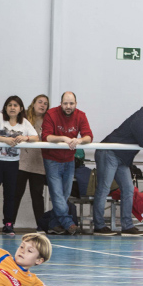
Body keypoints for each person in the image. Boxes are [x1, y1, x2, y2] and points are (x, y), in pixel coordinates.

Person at [92, 94, 143, 237]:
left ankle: (127, 226)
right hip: (109, 152)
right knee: (104, 188)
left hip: (121, 157)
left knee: (128, 189)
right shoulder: (141, 118)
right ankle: (99, 226)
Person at [0, 95, 38, 236]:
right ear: (5, 107)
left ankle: (8, 225)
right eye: (9, 105)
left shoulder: (24, 123)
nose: (12, 108)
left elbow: (36, 137)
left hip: (12, 164)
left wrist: (25, 137)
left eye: (15, 105)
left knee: (10, 195)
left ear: (21, 109)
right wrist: (5, 140)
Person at [41, 92, 93, 235]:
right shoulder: (51, 114)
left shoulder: (81, 115)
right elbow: (46, 136)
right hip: (52, 159)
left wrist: (79, 140)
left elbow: (89, 136)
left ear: (76, 104)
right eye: (65, 103)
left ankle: (53, 224)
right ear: (61, 103)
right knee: (57, 194)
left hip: (69, 159)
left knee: (64, 194)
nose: (68, 106)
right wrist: (64, 138)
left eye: (71, 103)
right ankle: (69, 223)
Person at [16, 94, 49, 232]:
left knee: (37, 196)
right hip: (21, 163)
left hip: (38, 164)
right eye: (40, 102)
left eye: (45, 103)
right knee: (16, 194)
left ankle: (41, 226)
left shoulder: (48, 121)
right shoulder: (23, 119)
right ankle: (9, 224)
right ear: (33, 103)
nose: (42, 105)